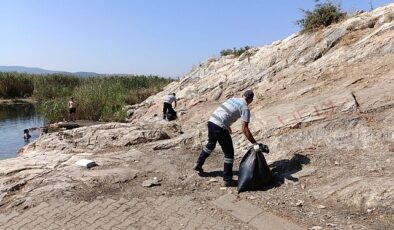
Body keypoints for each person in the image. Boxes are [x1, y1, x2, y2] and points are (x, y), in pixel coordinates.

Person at [193, 89, 261, 187]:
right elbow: (245, 129)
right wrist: (255, 143)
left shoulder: (232, 99)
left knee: (211, 144)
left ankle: (199, 163)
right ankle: (227, 179)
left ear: (243, 95)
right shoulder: (245, 108)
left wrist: (228, 125)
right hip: (220, 126)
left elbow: (225, 111)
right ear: (251, 100)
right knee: (229, 153)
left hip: (211, 121)